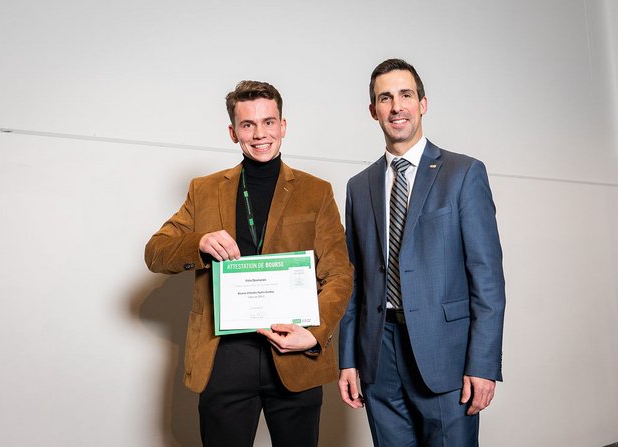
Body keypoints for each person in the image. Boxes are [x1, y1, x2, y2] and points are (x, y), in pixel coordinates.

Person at [145, 80, 353, 447]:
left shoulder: (316, 191)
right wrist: (199, 242)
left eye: (269, 122)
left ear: (283, 126)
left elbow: (339, 274)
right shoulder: (204, 189)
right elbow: (156, 253)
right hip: (224, 356)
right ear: (233, 132)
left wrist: (314, 333)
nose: (260, 134)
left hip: (293, 351)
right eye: (248, 125)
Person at [338, 58, 506, 446]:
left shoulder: (463, 173)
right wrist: (348, 358)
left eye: (405, 95)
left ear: (422, 104)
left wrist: (482, 364)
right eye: (385, 98)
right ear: (373, 110)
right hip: (378, 356)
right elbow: (354, 281)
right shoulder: (358, 186)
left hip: (445, 355)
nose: (396, 106)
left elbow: (487, 278)